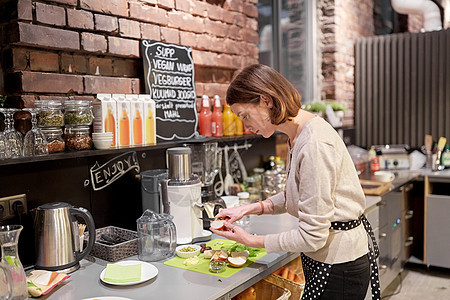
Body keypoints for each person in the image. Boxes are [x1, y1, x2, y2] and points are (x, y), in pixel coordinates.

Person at [210, 64, 380, 300]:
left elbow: (312, 236)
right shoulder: (298, 135)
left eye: (245, 115)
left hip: (339, 266)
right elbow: (296, 193)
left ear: (266, 100)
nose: (245, 125)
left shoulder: (314, 144)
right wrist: (250, 208)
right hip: (326, 259)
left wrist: (251, 241)